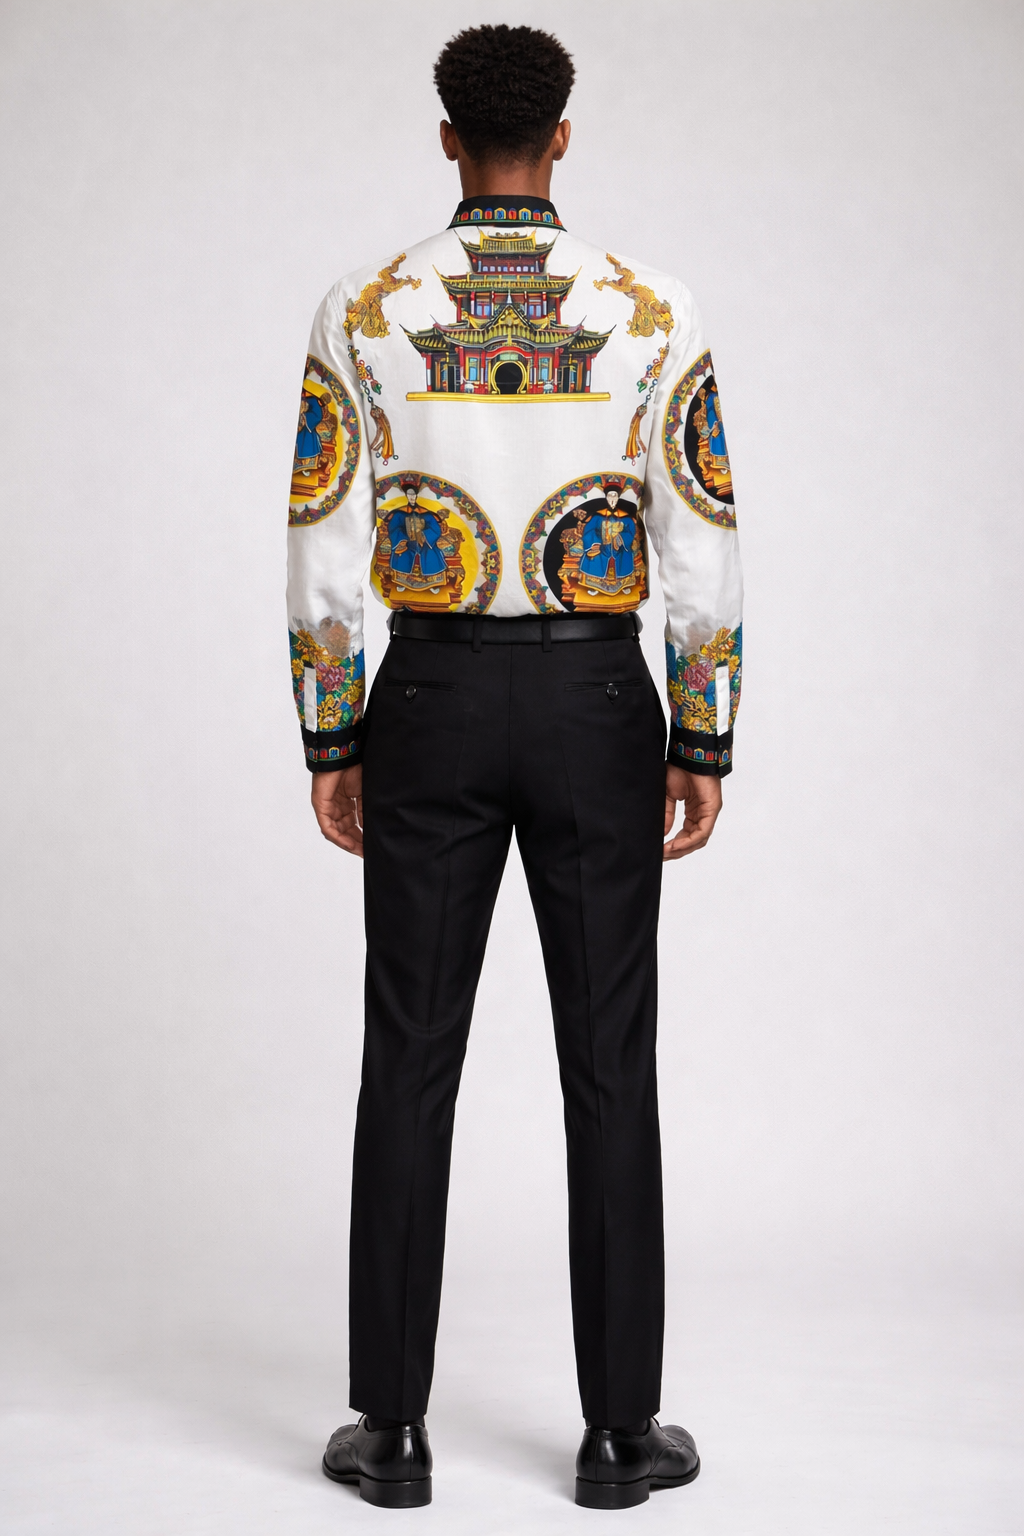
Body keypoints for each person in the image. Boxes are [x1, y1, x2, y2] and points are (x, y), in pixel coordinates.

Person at [285, 23, 742, 1511]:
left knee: (408, 1062)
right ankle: (618, 1439)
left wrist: (333, 733)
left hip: (426, 694)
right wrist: (703, 732)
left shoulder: (363, 307)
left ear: (446, 138)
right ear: (562, 136)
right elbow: (700, 535)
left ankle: (391, 1434)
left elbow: (320, 535)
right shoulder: (652, 307)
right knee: (609, 1065)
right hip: (599, 698)